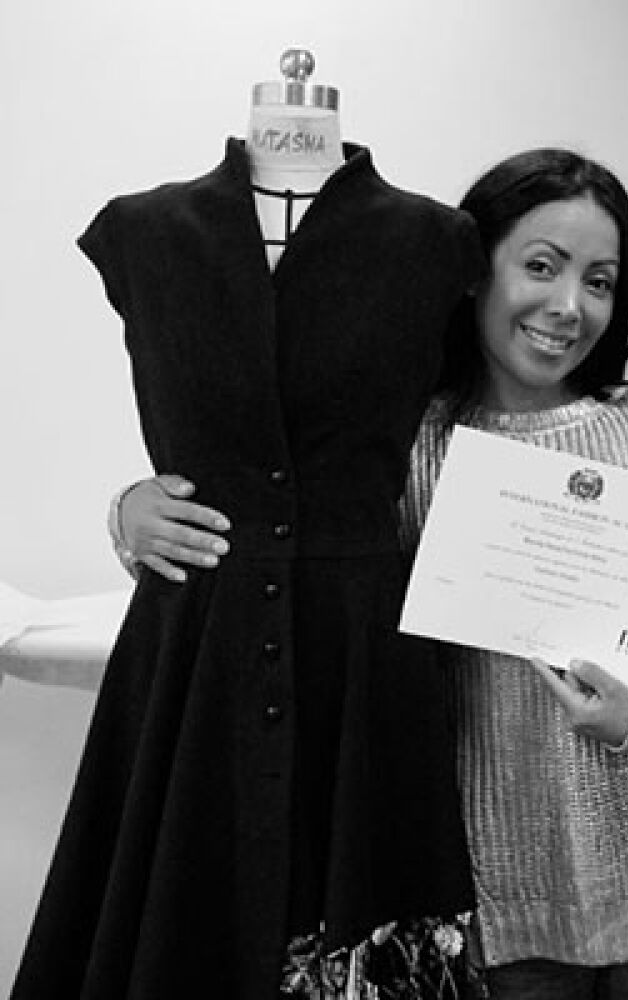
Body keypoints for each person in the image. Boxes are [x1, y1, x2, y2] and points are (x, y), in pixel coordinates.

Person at [115, 148, 628, 999]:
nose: (569, 306)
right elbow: (281, 553)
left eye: (600, 281)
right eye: (541, 266)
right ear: (471, 272)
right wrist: (130, 512)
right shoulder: (403, 445)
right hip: (503, 905)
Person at [10, 56, 483, 1000]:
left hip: (363, 652)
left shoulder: (434, 241)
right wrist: (126, 506)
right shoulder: (144, 231)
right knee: (172, 915)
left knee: (362, 915)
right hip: (195, 637)